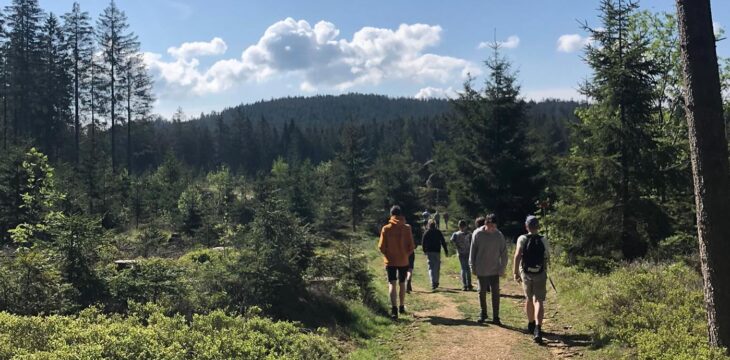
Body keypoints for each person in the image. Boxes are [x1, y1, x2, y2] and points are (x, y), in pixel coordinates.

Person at [513, 215, 551, 343]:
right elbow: (547, 256)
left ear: (526, 226)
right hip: (540, 272)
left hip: (526, 273)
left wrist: (515, 272)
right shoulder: (543, 239)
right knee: (539, 300)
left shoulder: (522, 238)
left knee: (529, 299)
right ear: (538, 226)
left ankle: (530, 324)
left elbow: (518, 255)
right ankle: (538, 329)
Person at [378, 205, 416, 319]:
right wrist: (405, 255)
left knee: (392, 283)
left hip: (390, 261)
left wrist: (387, 254)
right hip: (403, 261)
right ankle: (402, 306)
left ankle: (394, 310)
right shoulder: (407, 228)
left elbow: (381, 246)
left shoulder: (386, 228)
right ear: (400, 214)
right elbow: (411, 246)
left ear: (391, 214)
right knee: (402, 283)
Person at [470, 214, 507, 325]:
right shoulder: (477, 234)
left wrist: (502, 268)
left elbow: (504, 253)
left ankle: (496, 316)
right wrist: (472, 266)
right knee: (481, 292)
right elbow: (473, 251)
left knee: (495, 293)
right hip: (481, 268)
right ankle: (483, 313)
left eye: (494, 226)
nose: (492, 228)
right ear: (486, 223)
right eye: (490, 225)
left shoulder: (499, 235)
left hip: (494, 269)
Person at [421, 219, 448, 290]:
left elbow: (423, 242)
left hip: (429, 252)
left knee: (431, 268)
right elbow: (443, 241)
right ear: (435, 225)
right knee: (437, 267)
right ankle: (436, 281)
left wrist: (424, 250)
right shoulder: (438, 232)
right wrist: (446, 250)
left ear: (428, 225)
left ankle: (433, 282)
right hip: (437, 251)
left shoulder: (426, 232)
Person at [450, 220, 473, 291]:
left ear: (459, 226)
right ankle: (469, 284)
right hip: (468, 252)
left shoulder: (456, 234)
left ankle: (464, 285)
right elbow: (473, 242)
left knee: (463, 268)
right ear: (465, 226)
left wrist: (456, 246)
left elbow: (451, 241)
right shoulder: (469, 234)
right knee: (468, 268)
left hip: (460, 253)